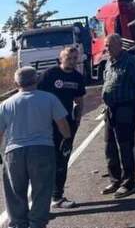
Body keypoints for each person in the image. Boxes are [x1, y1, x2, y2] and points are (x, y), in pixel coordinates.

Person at [0, 67, 71, 228]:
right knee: (42, 189)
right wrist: (66, 139)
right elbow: (62, 123)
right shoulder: (49, 98)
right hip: (42, 149)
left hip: (14, 152)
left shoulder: (6, 104)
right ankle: (37, 223)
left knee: (15, 192)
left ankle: (19, 223)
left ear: (16, 82)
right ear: (37, 80)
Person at [38, 46, 86, 208]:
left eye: (75, 58)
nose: (72, 61)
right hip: (47, 125)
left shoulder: (78, 78)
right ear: (61, 58)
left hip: (67, 125)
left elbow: (79, 101)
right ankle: (41, 198)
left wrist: (77, 120)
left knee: (62, 161)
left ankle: (57, 197)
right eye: (69, 58)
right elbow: (35, 96)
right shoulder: (49, 74)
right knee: (45, 161)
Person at [101, 34, 135, 199]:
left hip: (125, 109)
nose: (107, 49)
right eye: (106, 46)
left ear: (120, 45)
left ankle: (128, 183)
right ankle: (115, 180)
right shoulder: (108, 62)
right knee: (109, 146)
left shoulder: (130, 62)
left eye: (110, 46)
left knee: (125, 146)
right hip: (110, 109)